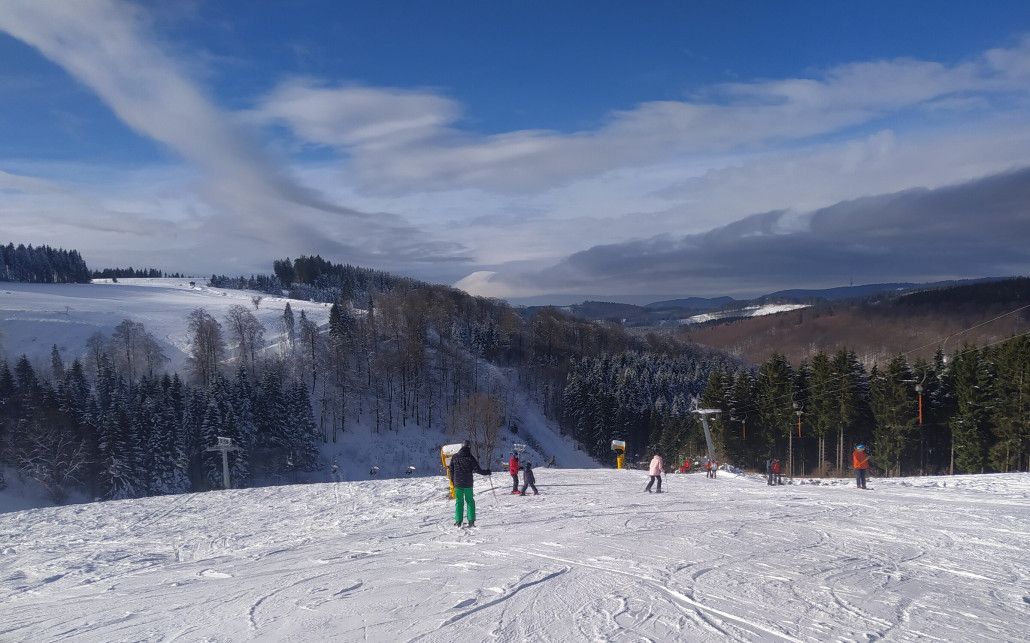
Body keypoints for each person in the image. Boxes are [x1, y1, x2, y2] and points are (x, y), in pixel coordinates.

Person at [449, 440, 491, 527]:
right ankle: (471, 521)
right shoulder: (470, 458)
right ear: (469, 447)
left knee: (459, 502)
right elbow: (478, 470)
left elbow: (451, 470)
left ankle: (458, 522)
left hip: (458, 484)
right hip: (468, 484)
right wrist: (487, 472)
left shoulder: (455, 457)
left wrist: (454, 481)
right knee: (470, 501)